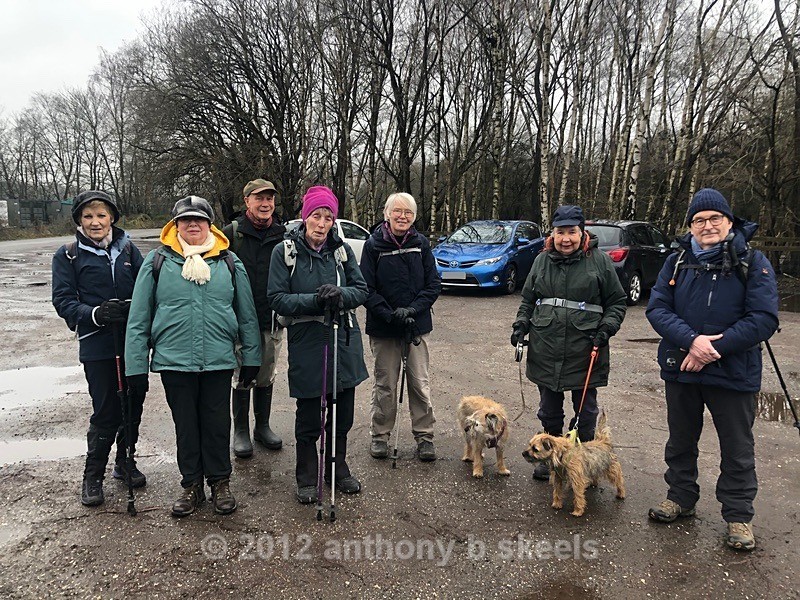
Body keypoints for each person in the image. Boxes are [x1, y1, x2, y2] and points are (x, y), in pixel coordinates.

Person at [645, 188, 779, 551]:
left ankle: (738, 516)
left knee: (736, 448)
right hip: (682, 367)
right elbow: (657, 309)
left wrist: (711, 349)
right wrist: (691, 341)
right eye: (699, 220)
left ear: (729, 222)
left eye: (714, 218)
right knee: (680, 440)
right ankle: (680, 498)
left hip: (734, 373)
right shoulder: (676, 261)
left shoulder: (753, 262)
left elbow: (764, 319)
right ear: (690, 227)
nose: (707, 226)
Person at [125, 196, 261, 517]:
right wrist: (135, 365)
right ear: (175, 226)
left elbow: (246, 314)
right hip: (174, 361)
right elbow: (139, 317)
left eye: (199, 219)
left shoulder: (228, 262)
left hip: (218, 358)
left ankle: (220, 482)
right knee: (186, 425)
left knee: (216, 422)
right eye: (185, 220)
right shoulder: (157, 261)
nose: (193, 225)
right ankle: (192, 485)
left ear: (209, 224)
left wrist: (252, 356)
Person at [267, 186, 369, 504]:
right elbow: (276, 298)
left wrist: (341, 296)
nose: (321, 223)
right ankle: (307, 475)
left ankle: (336, 469)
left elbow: (361, 289)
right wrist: (315, 300)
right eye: (316, 215)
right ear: (305, 217)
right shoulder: (284, 251)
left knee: (343, 415)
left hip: (344, 342)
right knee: (309, 417)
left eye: (327, 217)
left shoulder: (342, 251)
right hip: (308, 343)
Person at [511, 205, 627, 481]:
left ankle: (583, 462)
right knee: (549, 410)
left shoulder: (599, 261)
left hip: (585, 349)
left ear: (581, 232)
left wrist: (606, 329)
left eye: (572, 232)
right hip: (546, 348)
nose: (566, 239)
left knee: (585, 412)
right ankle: (549, 459)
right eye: (560, 232)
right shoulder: (541, 261)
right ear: (553, 233)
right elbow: (528, 299)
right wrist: (521, 324)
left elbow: (617, 302)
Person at [52, 190, 147, 507]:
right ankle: (93, 476)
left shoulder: (130, 251)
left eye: (101, 215)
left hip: (131, 343)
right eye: (88, 216)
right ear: (79, 219)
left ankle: (125, 461)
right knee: (107, 410)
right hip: (98, 345)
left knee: (134, 403)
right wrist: (94, 314)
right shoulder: (67, 255)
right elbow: (63, 301)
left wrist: (133, 308)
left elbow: (149, 290)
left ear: (112, 219)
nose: (95, 222)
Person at [359, 192, 441, 461]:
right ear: (387, 213)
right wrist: (389, 313)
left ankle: (425, 436)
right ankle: (380, 435)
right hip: (384, 327)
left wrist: (413, 310)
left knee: (419, 383)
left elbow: (433, 285)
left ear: (414, 217)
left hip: (416, 326)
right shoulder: (373, 246)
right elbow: (366, 289)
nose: (402, 216)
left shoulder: (422, 244)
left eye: (408, 212)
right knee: (386, 384)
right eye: (398, 211)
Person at [222, 179, 287, 458]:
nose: (265, 204)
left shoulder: (282, 235)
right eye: (259, 198)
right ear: (247, 201)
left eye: (270, 198)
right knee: (242, 375)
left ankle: (262, 427)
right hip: (240, 320)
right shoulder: (232, 234)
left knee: (266, 373)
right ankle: (240, 431)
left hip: (271, 318)